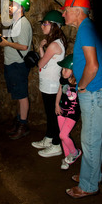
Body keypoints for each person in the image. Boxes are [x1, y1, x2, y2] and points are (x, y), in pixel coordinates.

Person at [61, 0, 102, 198]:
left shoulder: (85, 29)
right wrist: (79, 77)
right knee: (94, 138)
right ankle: (94, 174)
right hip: (95, 90)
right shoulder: (88, 28)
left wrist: (83, 85)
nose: (64, 13)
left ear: (77, 11)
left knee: (90, 140)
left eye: (66, 10)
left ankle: (88, 185)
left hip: (92, 93)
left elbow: (93, 66)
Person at [0, 0, 32, 140]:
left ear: (21, 7)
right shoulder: (16, 22)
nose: (10, 7)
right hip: (12, 64)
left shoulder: (23, 23)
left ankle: (23, 126)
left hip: (17, 65)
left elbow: (23, 46)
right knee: (18, 96)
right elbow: (15, 40)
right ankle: (18, 122)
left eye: (13, 4)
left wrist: (6, 44)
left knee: (22, 97)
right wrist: (4, 39)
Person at [32, 10, 66, 157]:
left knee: (53, 116)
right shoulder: (54, 44)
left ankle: (56, 145)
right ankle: (49, 138)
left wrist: (40, 53)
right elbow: (44, 65)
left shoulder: (54, 46)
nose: (42, 26)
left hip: (51, 86)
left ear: (53, 26)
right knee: (50, 114)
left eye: (45, 23)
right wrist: (40, 48)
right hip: (48, 84)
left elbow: (40, 64)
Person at [55, 54, 81, 170]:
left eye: (66, 69)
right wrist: (56, 104)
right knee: (63, 136)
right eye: (62, 69)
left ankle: (75, 153)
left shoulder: (79, 82)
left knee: (63, 135)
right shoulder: (62, 79)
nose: (63, 72)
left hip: (72, 113)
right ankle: (67, 158)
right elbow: (59, 91)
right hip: (62, 110)